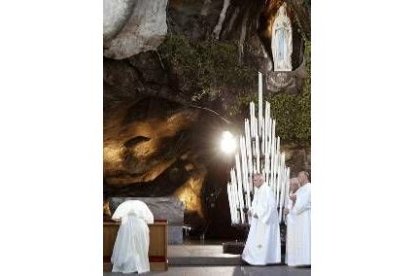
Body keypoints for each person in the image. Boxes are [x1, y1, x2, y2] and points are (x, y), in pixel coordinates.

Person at [242, 173, 281, 265]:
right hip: (260, 219)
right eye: (253, 180)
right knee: (258, 239)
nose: (253, 182)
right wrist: (251, 210)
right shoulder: (259, 190)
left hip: (265, 221)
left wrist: (258, 213)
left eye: (255, 180)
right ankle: (256, 257)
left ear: (261, 180)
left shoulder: (267, 190)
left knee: (263, 239)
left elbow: (270, 206)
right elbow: (256, 203)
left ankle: (262, 259)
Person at [111, 200, 154, 274]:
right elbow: (150, 219)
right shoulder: (141, 205)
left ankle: (129, 265)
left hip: (127, 226)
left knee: (127, 246)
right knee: (139, 246)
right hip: (140, 226)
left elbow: (116, 217)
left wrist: (122, 219)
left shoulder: (124, 206)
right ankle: (139, 265)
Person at [285, 171, 311, 266]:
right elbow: (295, 203)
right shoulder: (301, 189)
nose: (299, 177)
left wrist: (296, 200)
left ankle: (307, 260)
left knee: (306, 237)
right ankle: (300, 260)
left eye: (301, 176)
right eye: (298, 175)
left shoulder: (310, 188)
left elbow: (305, 202)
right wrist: (289, 208)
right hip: (299, 218)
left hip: (306, 217)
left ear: (306, 176)